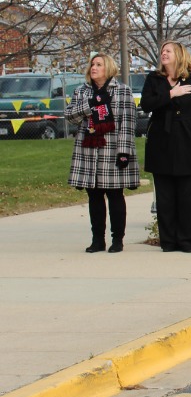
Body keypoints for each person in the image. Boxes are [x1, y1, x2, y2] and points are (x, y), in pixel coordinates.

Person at [66, 54, 140, 253]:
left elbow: (128, 122)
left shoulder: (122, 91)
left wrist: (124, 152)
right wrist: (88, 106)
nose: (94, 67)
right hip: (89, 151)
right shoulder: (81, 91)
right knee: (94, 196)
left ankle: (118, 240)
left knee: (115, 195)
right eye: (92, 64)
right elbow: (70, 116)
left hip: (112, 148)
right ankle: (97, 240)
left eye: (99, 64)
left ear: (108, 68)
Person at [140, 41, 191, 253]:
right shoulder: (154, 79)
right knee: (165, 195)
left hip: (186, 140)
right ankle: (168, 241)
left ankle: (189, 240)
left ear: (179, 54)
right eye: (162, 51)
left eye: (168, 51)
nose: (164, 54)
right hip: (161, 139)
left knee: (187, 195)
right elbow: (146, 105)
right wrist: (170, 94)